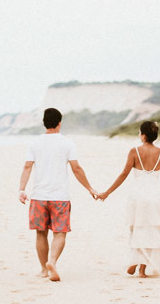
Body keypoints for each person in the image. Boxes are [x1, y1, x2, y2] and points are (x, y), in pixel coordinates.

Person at [18, 107, 98, 282]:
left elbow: (27, 167)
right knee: (60, 232)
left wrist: (22, 190)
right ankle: (52, 261)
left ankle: (43, 270)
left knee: (41, 233)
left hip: (39, 196)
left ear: (44, 123)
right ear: (59, 123)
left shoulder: (35, 143)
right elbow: (76, 168)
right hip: (60, 197)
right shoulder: (67, 143)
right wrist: (90, 188)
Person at [98, 120, 160, 277]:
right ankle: (142, 269)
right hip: (155, 195)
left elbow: (123, 174)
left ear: (143, 136)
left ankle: (134, 261)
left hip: (137, 195)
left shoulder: (134, 151)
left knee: (136, 228)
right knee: (150, 230)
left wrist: (107, 192)